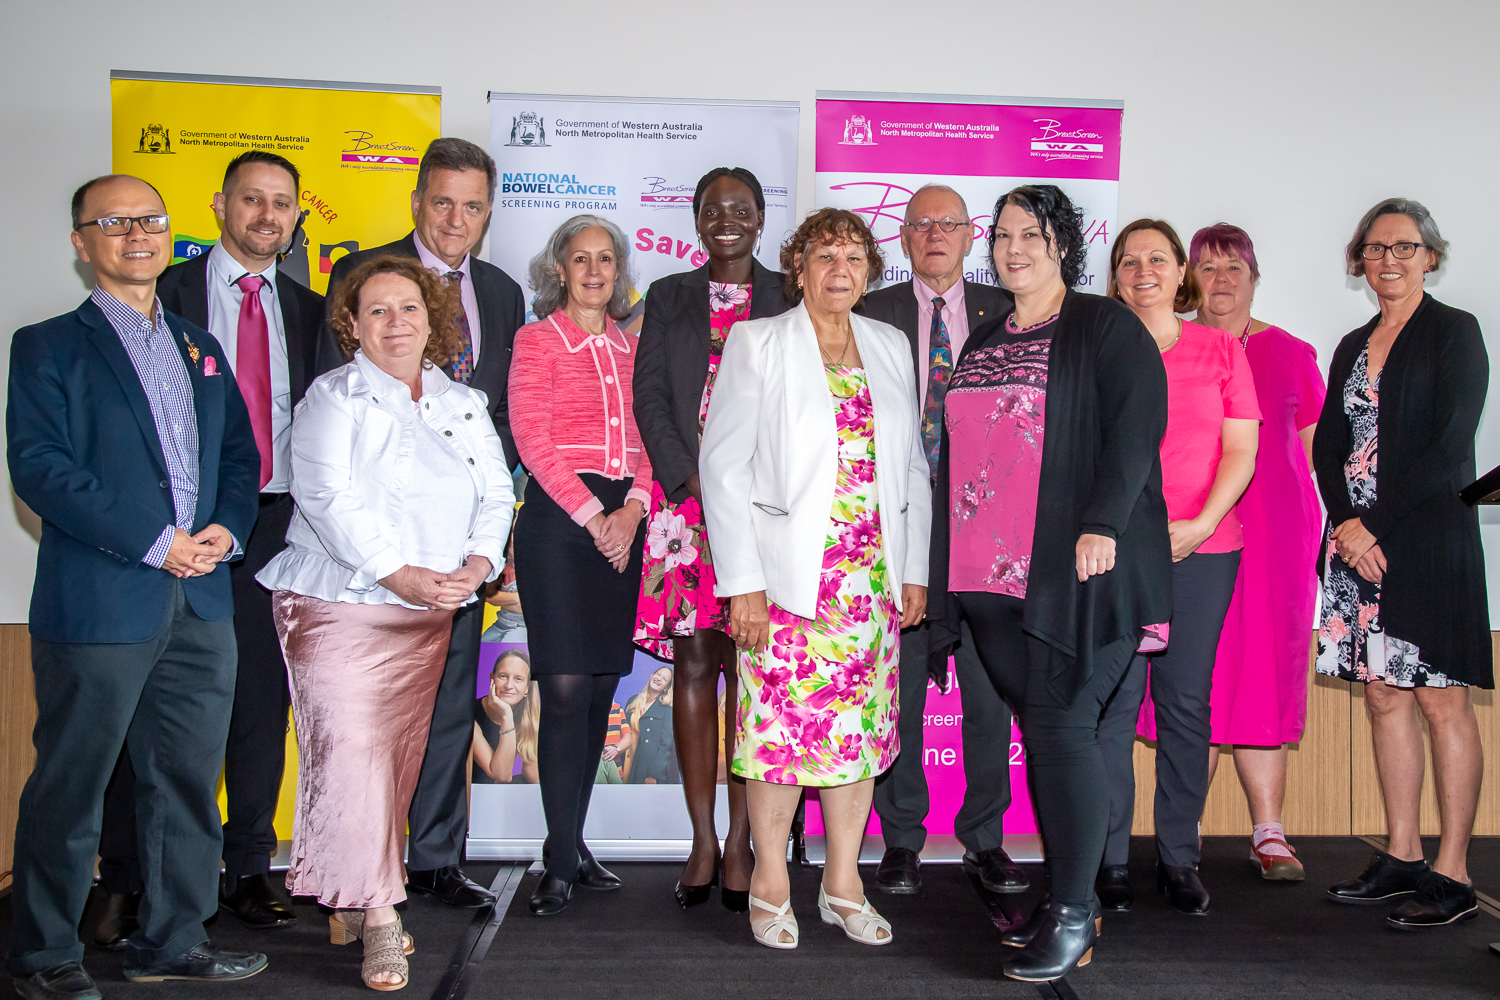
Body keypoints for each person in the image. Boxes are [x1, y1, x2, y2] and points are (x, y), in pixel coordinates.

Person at [6, 174, 266, 999]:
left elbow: (238, 459)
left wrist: (225, 527)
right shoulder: (46, 346)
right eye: (113, 222)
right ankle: (43, 956)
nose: (136, 233)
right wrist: (158, 544)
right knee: (72, 786)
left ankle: (172, 941)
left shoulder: (201, 347)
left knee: (187, 783)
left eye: (149, 219)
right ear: (83, 244)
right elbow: (40, 471)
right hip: (103, 600)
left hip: (201, 603)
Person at [90, 150, 340, 940]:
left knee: (262, 700)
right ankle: (125, 877)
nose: (268, 215)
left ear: (298, 216)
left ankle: (246, 868)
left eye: (282, 204)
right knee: (150, 699)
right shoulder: (161, 291)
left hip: (275, 521)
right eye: (252, 200)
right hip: (172, 530)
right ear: (220, 206)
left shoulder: (311, 308)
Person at [928, 186, 1171, 981]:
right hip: (986, 585)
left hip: (1077, 574)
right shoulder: (988, 334)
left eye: (1030, 234)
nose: (1012, 248)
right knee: (1047, 737)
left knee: (1064, 731)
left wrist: (1100, 522)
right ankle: (1071, 895)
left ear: (1062, 243)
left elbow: (1135, 431)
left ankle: (1072, 913)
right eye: (1001, 236)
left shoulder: (1105, 327)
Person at [256, 254, 513, 990]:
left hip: (428, 613)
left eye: (409, 308)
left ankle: (350, 891)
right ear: (353, 326)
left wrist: (477, 563)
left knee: (388, 767)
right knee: (355, 759)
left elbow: (495, 493)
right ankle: (379, 918)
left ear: (431, 319)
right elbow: (328, 498)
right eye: (377, 311)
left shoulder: (462, 400)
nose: (395, 323)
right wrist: (396, 573)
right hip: (340, 606)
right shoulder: (331, 398)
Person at [700, 207, 931, 951]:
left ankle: (841, 884)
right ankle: (770, 881)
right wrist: (742, 582)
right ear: (797, 266)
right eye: (825, 255)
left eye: (855, 257)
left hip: (869, 583)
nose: (840, 269)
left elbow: (914, 469)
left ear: (871, 271)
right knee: (780, 742)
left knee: (857, 740)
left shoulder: (892, 345)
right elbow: (723, 467)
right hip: (787, 586)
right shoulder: (758, 342)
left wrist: (914, 567)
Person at [325, 137, 527, 910]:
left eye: (473, 205)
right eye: (442, 201)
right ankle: (365, 870)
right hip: (376, 551)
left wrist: (486, 531)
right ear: (416, 202)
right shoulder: (365, 276)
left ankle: (437, 858)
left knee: (448, 705)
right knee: (370, 717)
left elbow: (500, 419)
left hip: (462, 550)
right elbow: (332, 399)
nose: (456, 219)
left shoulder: (503, 293)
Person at [1315, 198, 1490, 928]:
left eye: (1405, 247)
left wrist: (1372, 527)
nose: (1388, 260)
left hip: (1424, 545)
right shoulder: (1354, 341)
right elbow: (1328, 444)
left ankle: (1451, 871)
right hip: (1358, 546)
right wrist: (1348, 525)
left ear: (1431, 256)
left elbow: (1450, 445)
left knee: (1439, 697)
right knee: (1384, 694)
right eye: (1376, 248)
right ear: (1360, 260)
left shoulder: (1456, 333)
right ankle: (1403, 854)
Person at [856, 183, 1022, 897]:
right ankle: (900, 839)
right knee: (900, 688)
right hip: (900, 531)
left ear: (969, 234)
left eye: (947, 223)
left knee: (988, 692)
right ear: (903, 235)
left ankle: (985, 838)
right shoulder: (869, 314)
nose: (934, 234)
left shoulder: (1009, 315)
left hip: (986, 532)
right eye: (920, 223)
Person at [632, 166, 790, 910]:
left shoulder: (788, 292)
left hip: (766, 510)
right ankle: (700, 838)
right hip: (687, 510)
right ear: (695, 219)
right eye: (712, 209)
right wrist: (687, 480)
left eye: (741, 208)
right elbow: (652, 394)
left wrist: (757, 493)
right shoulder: (667, 296)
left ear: (761, 217)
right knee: (696, 667)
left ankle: (742, 841)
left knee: (755, 675)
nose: (726, 219)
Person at [1096, 219, 1260, 917]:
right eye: (1129, 261)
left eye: (1157, 258)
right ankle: (1105, 862)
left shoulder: (1221, 348)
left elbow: (1239, 452)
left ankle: (1178, 858)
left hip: (1203, 550)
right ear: (1116, 276)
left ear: (1178, 272)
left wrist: (1198, 525)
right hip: (1116, 558)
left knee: (1186, 705)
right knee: (1111, 707)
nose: (1143, 271)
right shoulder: (1098, 350)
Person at [508, 214, 653, 916]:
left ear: (618, 272)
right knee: (563, 690)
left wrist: (632, 511)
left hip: (624, 523)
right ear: (559, 270)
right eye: (580, 259)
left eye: (605, 260)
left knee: (599, 691)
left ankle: (571, 839)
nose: (594, 271)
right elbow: (533, 440)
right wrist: (594, 516)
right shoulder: (537, 340)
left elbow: (650, 438)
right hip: (559, 525)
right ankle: (559, 857)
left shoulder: (633, 348)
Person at [1190, 223, 1326, 880]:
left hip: (1277, 539)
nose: (1221, 283)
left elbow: (1309, 456)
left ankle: (1269, 834)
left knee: (1266, 676)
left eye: (1233, 270)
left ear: (1253, 277)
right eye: (1208, 270)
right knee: (1199, 677)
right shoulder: (1172, 347)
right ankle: (1178, 831)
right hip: (1196, 537)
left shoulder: (1294, 353)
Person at [472, 649, 540, 784]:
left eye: (518, 679)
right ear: (492, 678)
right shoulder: (468, 713)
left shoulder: (528, 715)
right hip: (470, 793)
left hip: (500, 793)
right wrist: (507, 715)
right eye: (503, 676)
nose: (509, 685)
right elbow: (501, 776)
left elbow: (532, 774)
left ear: (527, 687)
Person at [622, 666, 679, 783]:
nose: (659, 678)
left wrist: (654, 774)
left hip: (647, 766)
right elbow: (622, 731)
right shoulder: (632, 701)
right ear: (651, 676)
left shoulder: (667, 709)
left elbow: (666, 745)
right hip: (627, 759)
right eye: (658, 674)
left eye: (664, 679)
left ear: (666, 688)